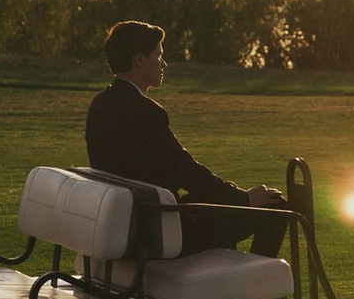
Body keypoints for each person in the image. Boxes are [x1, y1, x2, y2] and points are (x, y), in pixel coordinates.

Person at [85, 20, 288, 256]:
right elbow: (186, 171)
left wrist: (230, 194)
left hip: (131, 223)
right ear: (140, 60)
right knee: (276, 207)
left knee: (224, 197)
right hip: (159, 231)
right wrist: (244, 198)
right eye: (159, 56)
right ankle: (259, 290)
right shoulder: (146, 112)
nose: (164, 64)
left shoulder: (100, 104)